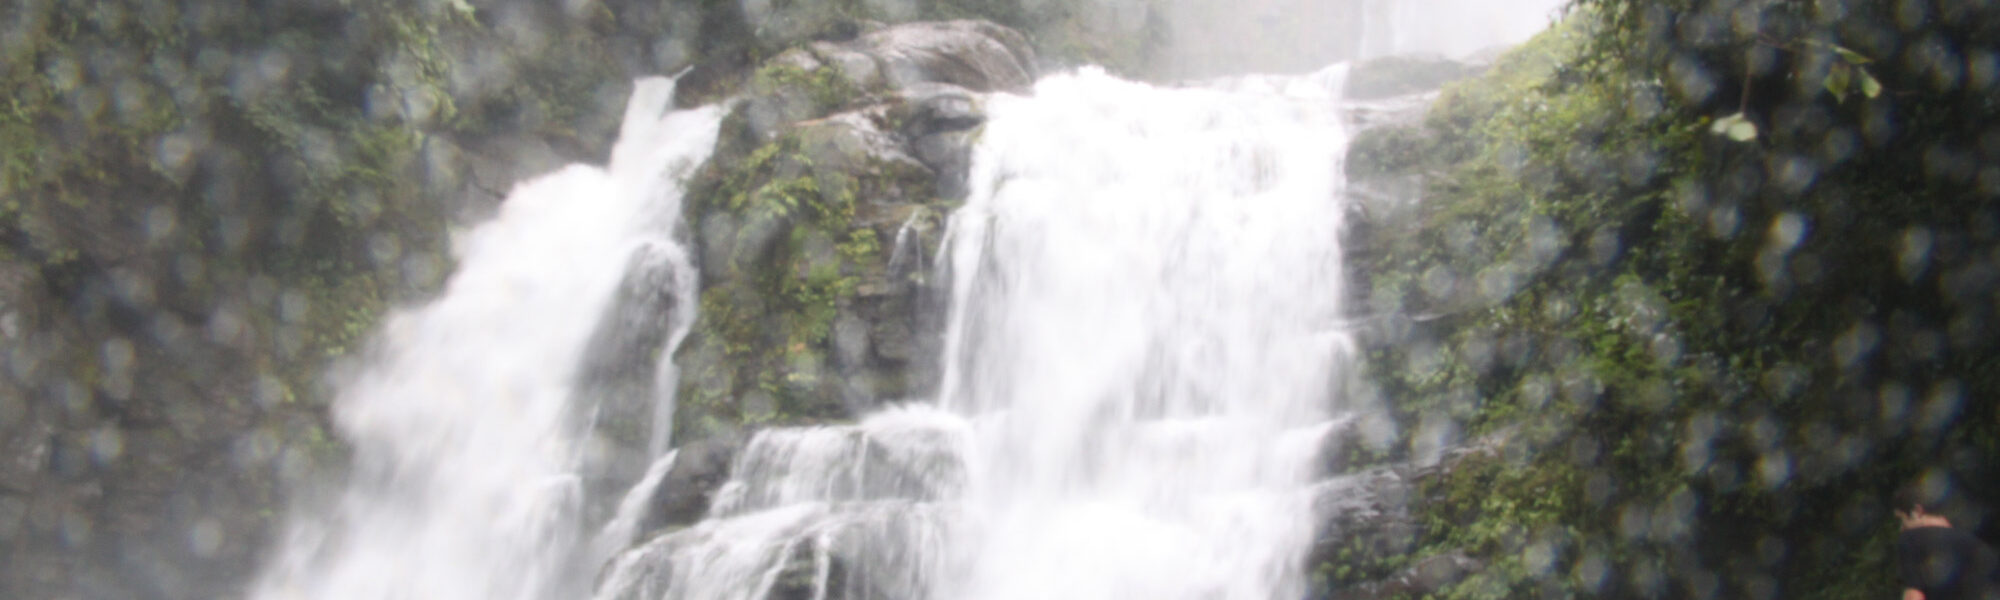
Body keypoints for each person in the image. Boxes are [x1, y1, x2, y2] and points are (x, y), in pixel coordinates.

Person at [1894, 483, 2000, 600]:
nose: (1901, 528)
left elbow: (1914, 595)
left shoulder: (1910, 539)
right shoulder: (1974, 544)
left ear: (1917, 511)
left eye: (1901, 520)